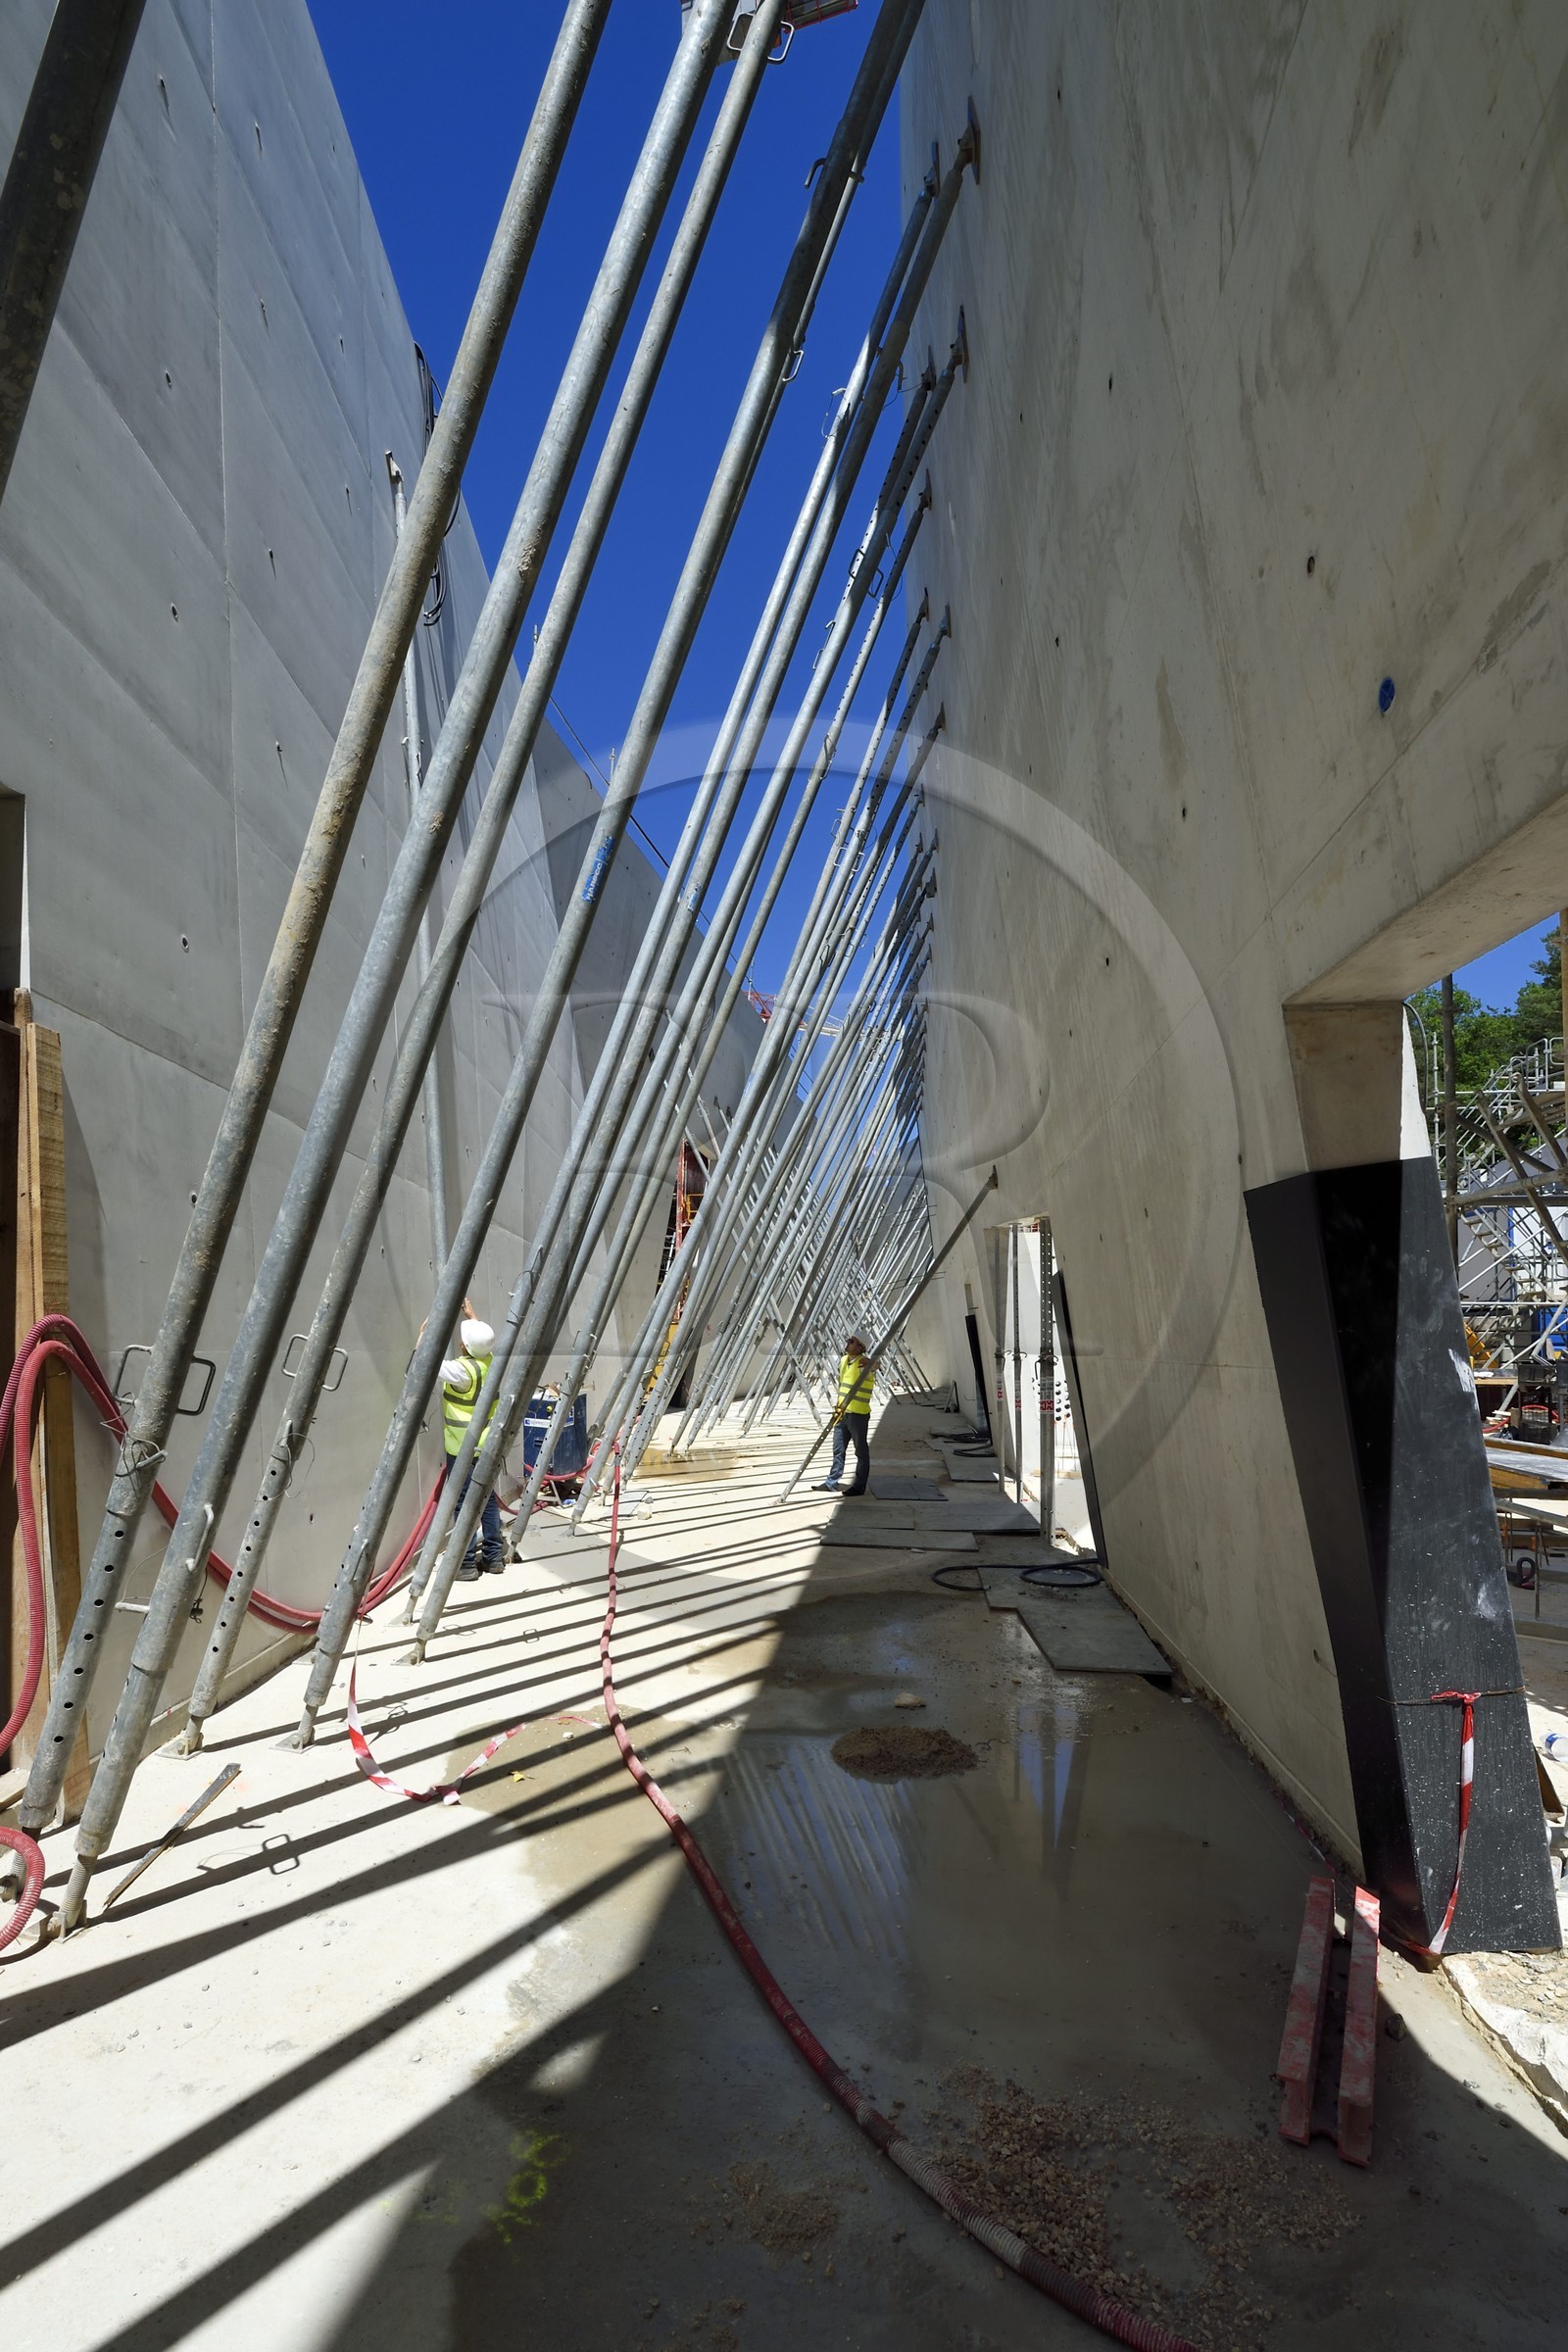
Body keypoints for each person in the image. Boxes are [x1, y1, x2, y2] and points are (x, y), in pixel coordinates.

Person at [435, 1297, 505, 1579]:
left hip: (462, 1450)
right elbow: (483, 1345)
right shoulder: (490, 1363)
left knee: (463, 1504)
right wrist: (473, 1317)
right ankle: (493, 1558)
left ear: (464, 1346)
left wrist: (422, 1338)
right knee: (486, 1500)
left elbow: (427, 1362)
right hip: (486, 1446)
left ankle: (464, 1564)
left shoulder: (461, 1371)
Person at [814, 1334, 874, 1494]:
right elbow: (842, 1385)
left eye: (852, 1342)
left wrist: (872, 1365)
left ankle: (859, 1486)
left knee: (861, 1451)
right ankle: (831, 1482)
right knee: (838, 1449)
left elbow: (874, 1366)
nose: (848, 1343)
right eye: (849, 1340)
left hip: (858, 1415)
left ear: (860, 1348)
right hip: (843, 1414)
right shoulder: (843, 1361)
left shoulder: (863, 1363)